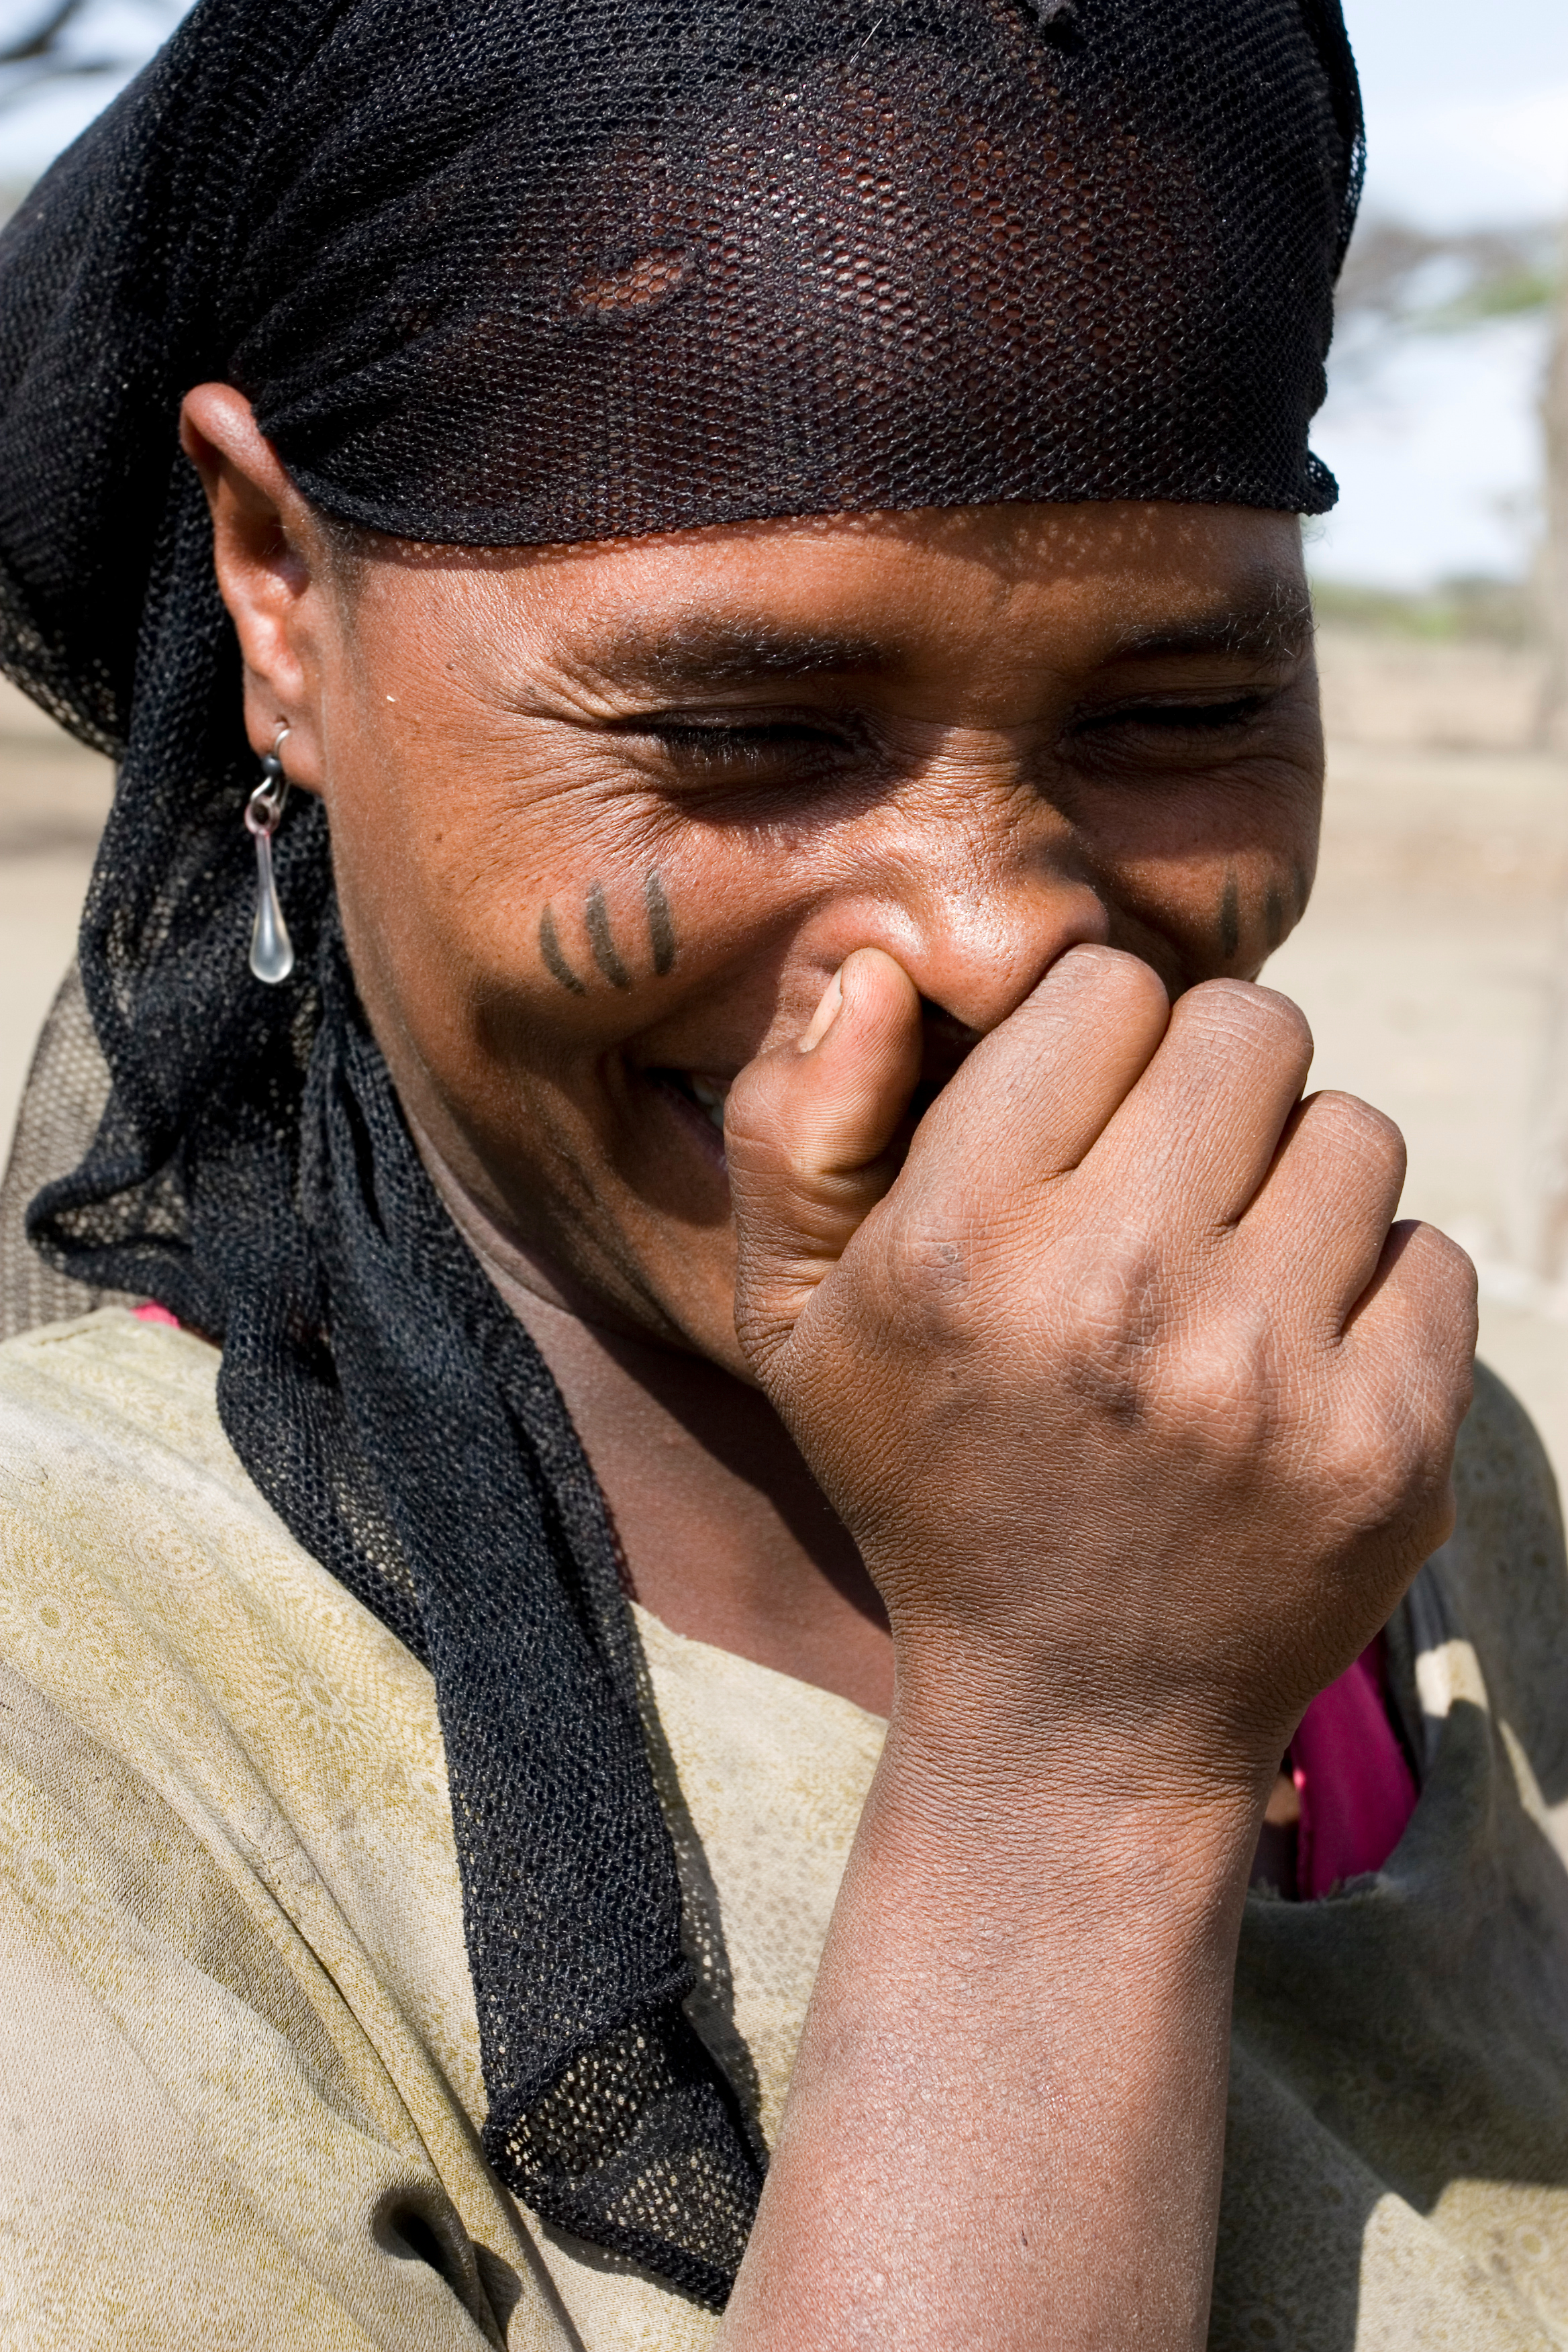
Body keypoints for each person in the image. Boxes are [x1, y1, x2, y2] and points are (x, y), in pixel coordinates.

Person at [0, 0, 1564, 2345]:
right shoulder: (79, 1724)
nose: (995, 935)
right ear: (276, 589)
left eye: (1180, 714)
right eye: (742, 734)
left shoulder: (1374, 1474)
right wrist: (1072, 1766)